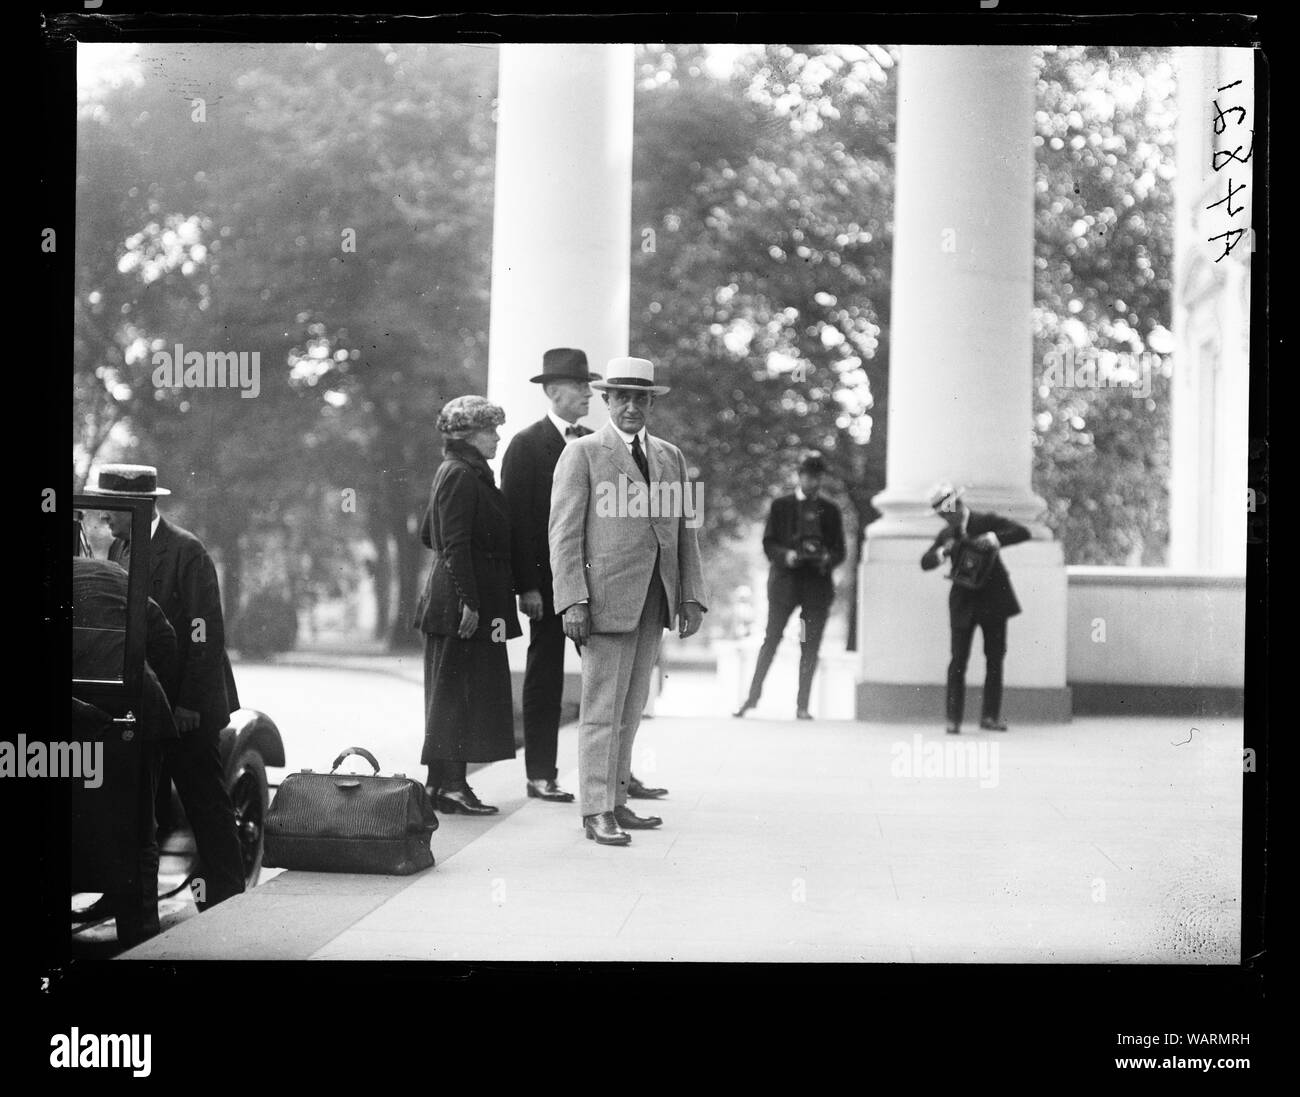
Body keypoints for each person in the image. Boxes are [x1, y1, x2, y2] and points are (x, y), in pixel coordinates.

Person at [549, 357, 707, 846]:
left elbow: (685, 530)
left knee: (631, 708)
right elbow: (564, 534)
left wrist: (692, 595)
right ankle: (595, 810)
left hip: (655, 599)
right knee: (600, 710)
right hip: (603, 601)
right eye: (623, 398)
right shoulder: (583, 454)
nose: (633, 406)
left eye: (642, 398)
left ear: (651, 403)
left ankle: (616, 800)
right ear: (607, 401)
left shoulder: (670, 457)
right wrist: (572, 599)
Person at [93, 463, 247, 910]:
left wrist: (190, 703)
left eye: (112, 509)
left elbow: (205, 632)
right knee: (139, 804)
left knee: (204, 801)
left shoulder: (186, 551)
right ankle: (126, 893)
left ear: (138, 505)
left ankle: (228, 897)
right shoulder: (121, 550)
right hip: (146, 702)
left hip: (186, 705)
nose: (105, 518)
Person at [414, 395, 521, 814]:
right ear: (468, 435)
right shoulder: (462, 475)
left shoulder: (457, 472)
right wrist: (469, 602)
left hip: (460, 600)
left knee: (454, 694)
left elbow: (429, 534)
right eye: (490, 431)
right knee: (459, 695)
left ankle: (441, 787)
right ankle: (453, 787)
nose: (497, 438)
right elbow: (452, 543)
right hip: (463, 605)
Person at [72, 554, 178, 946]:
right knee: (138, 827)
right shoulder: (111, 571)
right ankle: (139, 937)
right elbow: (164, 638)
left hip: (81, 718)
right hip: (137, 711)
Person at [734, 451, 846, 720]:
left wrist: (826, 558)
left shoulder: (830, 511)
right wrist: (788, 555)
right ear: (799, 476)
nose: (812, 482)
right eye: (808, 476)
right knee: (771, 638)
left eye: (816, 477)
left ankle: (803, 705)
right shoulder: (781, 506)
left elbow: (840, 550)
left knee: (808, 642)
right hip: (785, 587)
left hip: (815, 589)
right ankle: (752, 698)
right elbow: (768, 543)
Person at [920, 483, 1031, 734]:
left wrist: (993, 539)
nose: (947, 518)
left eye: (948, 512)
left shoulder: (985, 522)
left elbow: (1022, 532)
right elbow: (924, 562)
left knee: (994, 659)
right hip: (963, 604)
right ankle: (953, 720)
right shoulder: (947, 534)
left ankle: (990, 717)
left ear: (958, 504)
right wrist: (941, 553)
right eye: (942, 515)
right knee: (957, 660)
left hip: (993, 600)